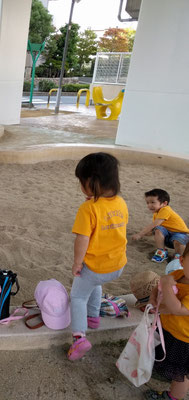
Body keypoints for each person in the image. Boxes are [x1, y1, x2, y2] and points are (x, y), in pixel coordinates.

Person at [67, 152, 128, 361]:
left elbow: (82, 239)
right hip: (117, 265)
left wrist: (77, 263)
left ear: (92, 182)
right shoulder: (120, 202)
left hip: (95, 267)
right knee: (93, 284)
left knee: (77, 296)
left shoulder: (88, 208)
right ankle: (93, 318)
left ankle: (78, 338)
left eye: (81, 181)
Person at [146, 245, 189, 400]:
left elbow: (177, 309)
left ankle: (172, 397)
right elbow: (158, 288)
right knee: (166, 359)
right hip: (168, 329)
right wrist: (153, 299)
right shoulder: (177, 275)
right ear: (182, 260)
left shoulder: (171, 279)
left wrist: (165, 284)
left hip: (184, 341)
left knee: (181, 374)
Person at [132, 189, 189, 263]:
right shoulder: (157, 213)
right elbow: (155, 228)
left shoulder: (165, 210)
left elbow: (154, 224)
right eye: (147, 203)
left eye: (153, 202)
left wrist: (140, 234)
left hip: (181, 235)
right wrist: (149, 233)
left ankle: (178, 257)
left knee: (178, 240)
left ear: (164, 203)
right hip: (168, 236)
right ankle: (161, 251)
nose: (149, 205)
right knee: (158, 229)